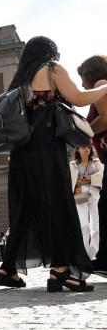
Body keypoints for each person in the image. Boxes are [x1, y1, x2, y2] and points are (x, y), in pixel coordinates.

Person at [0, 36, 107, 293]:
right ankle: (61, 270)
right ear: (50, 52)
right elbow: (78, 98)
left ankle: (7, 269)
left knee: (25, 210)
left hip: (21, 152)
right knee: (58, 205)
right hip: (46, 148)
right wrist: (105, 88)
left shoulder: (21, 79)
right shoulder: (51, 69)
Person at [78, 54, 107, 276]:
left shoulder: (101, 84)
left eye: (82, 78)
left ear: (91, 74)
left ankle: (104, 260)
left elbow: (106, 118)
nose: (81, 85)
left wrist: (82, 133)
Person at [69, 145, 103, 259]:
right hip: (80, 194)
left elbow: (101, 175)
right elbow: (73, 181)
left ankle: (94, 255)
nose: (87, 149)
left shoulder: (97, 162)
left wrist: (84, 179)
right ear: (78, 149)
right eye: (83, 147)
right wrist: (91, 178)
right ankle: (84, 254)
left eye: (88, 147)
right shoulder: (73, 165)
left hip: (95, 192)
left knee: (96, 226)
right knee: (84, 225)